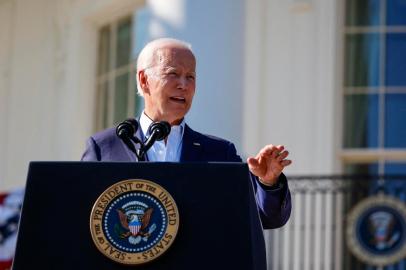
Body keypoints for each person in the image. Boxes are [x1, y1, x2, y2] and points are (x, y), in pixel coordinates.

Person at [81, 38, 292, 269]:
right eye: (173, 74)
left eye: (190, 77)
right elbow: (82, 221)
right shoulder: (106, 146)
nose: (184, 84)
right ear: (144, 80)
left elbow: (265, 217)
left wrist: (267, 182)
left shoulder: (219, 152)